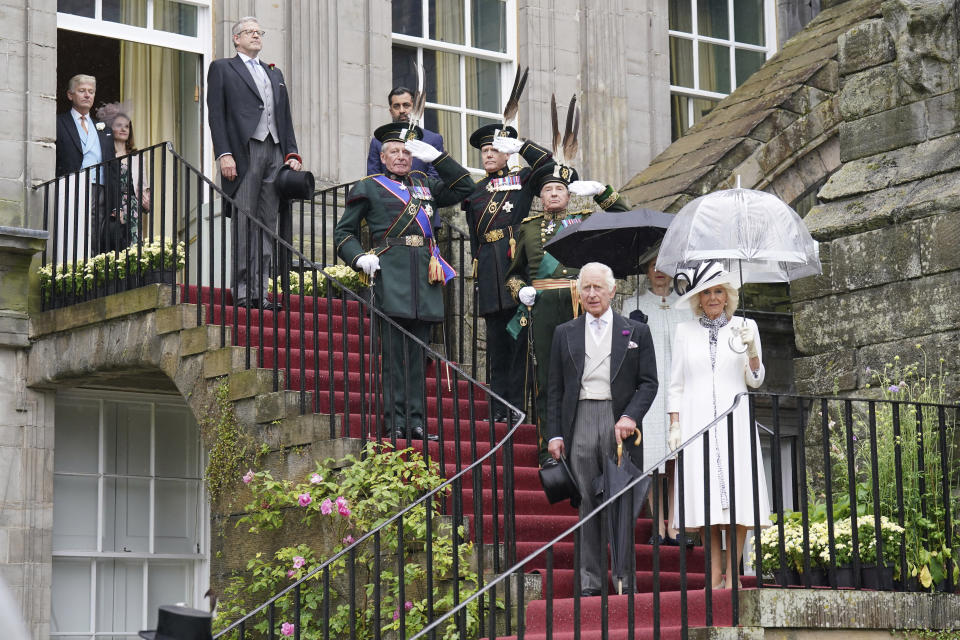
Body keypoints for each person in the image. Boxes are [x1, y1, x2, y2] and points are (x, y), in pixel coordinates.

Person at [335, 122, 475, 440]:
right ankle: (395, 420)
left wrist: (439, 158)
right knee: (395, 355)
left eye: (405, 152)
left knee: (417, 355)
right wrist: (359, 258)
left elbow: (467, 188)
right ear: (383, 158)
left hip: (425, 277)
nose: (400, 157)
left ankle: (417, 421)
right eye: (394, 152)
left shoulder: (426, 182)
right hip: (392, 274)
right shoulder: (369, 186)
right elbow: (343, 232)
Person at [504, 162, 629, 466]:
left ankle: (584, 446)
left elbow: (626, 219)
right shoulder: (529, 228)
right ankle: (550, 449)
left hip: (581, 304)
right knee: (547, 379)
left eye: (560, 188)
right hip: (544, 308)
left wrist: (602, 192)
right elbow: (513, 275)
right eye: (548, 190)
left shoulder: (585, 221)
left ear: (570, 196)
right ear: (541, 197)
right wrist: (520, 290)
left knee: (587, 375)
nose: (554, 194)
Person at [546, 262, 658, 596]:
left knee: (620, 502)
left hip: (617, 422)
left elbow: (649, 383)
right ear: (579, 293)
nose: (592, 294)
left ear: (612, 290)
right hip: (580, 419)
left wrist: (630, 417)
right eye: (587, 288)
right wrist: (554, 433)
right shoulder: (564, 332)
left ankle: (624, 580)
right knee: (586, 503)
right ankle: (590, 584)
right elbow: (553, 389)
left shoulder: (635, 331)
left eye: (598, 287)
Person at [666, 260, 771, 590]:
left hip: (734, 418)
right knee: (705, 501)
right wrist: (674, 424)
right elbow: (675, 383)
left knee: (739, 497)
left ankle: (733, 575)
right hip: (697, 420)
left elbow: (755, 379)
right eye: (707, 292)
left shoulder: (746, 326)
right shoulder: (684, 332)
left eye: (718, 292)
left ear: (727, 296)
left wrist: (752, 351)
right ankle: (713, 575)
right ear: (698, 298)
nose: (713, 298)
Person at [207, 16, 303, 311]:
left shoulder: (274, 73)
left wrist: (292, 153)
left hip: (274, 150)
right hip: (244, 150)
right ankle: (243, 292)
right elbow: (216, 113)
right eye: (249, 32)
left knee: (267, 224)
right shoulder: (223, 68)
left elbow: (284, 116)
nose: (256, 36)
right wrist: (224, 153)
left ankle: (261, 292)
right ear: (236, 38)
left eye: (259, 32)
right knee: (245, 221)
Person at [462, 124, 552, 421]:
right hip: (489, 270)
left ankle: (516, 408)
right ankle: (497, 408)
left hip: (516, 267)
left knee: (518, 343)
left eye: (494, 150)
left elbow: (547, 163)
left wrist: (520, 145)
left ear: (506, 155)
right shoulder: (476, 193)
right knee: (496, 345)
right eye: (485, 151)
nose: (488, 155)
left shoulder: (522, 180)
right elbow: (476, 242)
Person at [621, 252, 694, 545]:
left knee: (677, 456)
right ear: (646, 271)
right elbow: (624, 346)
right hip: (649, 388)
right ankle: (658, 524)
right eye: (653, 266)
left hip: (680, 387)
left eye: (664, 266)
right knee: (652, 458)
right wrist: (631, 327)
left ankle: (675, 524)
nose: (659, 272)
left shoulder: (688, 305)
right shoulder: (632, 304)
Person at [55, 74, 117, 253]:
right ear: (70, 95)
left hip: (101, 189)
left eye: (91, 92)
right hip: (72, 187)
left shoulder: (104, 128)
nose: (87, 95)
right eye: (82, 91)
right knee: (74, 232)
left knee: (97, 234)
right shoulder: (59, 122)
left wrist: (115, 202)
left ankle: (93, 272)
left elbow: (112, 165)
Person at [96, 104, 151, 252]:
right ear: (110, 128)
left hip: (133, 208)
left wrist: (146, 202)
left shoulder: (138, 157)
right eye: (119, 125)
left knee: (133, 247)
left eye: (126, 126)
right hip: (111, 205)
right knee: (113, 247)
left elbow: (143, 186)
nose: (123, 129)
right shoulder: (105, 154)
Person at [367, 86, 445, 178]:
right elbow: (373, 179)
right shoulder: (378, 142)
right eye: (396, 106)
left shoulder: (433, 139)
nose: (401, 110)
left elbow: (435, 177)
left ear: (415, 107)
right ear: (391, 111)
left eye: (406, 105)